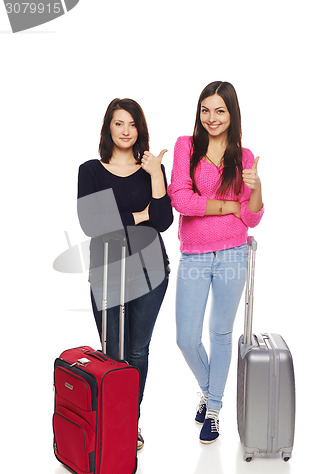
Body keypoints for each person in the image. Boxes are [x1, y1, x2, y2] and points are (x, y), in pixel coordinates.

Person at [167, 81, 264, 444]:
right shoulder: (185, 146)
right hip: (194, 254)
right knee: (186, 338)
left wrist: (256, 188)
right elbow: (181, 199)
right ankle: (210, 390)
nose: (211, 118)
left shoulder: (245, 156)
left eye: (220, 111)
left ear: (231, 113)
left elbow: (251, 218)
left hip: (234, 253)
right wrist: (228, 206)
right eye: (205, 110)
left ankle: (213, 410)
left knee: (221, 334)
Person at [77, 98, 173, 450]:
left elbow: (163, 220)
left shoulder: (152, 169)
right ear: (108, 128)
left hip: (150, 271)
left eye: (132, 124)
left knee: (136, 352)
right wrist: (139, 215)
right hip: (106, 270)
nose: (126, 130)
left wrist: (154, 176)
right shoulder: (91, 170)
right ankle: (108, 420)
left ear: (139, 129)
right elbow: (92, 223)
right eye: (119, 123)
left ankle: (129, 422)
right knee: (110, 352)